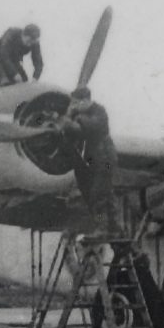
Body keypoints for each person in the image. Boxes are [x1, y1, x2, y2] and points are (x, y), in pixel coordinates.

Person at [58, 87, 123, 236]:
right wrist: (69, 116)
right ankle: (114, 227)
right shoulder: (82, 113)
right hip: (94, 159)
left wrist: (72, 117)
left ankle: (102, 227)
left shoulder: (99, 111)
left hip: (106, 158)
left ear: (85, 100)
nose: (74, 106)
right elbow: (71, 131)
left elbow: (90, 127)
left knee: (98, 195)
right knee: (104, 194)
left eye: (76, 103)